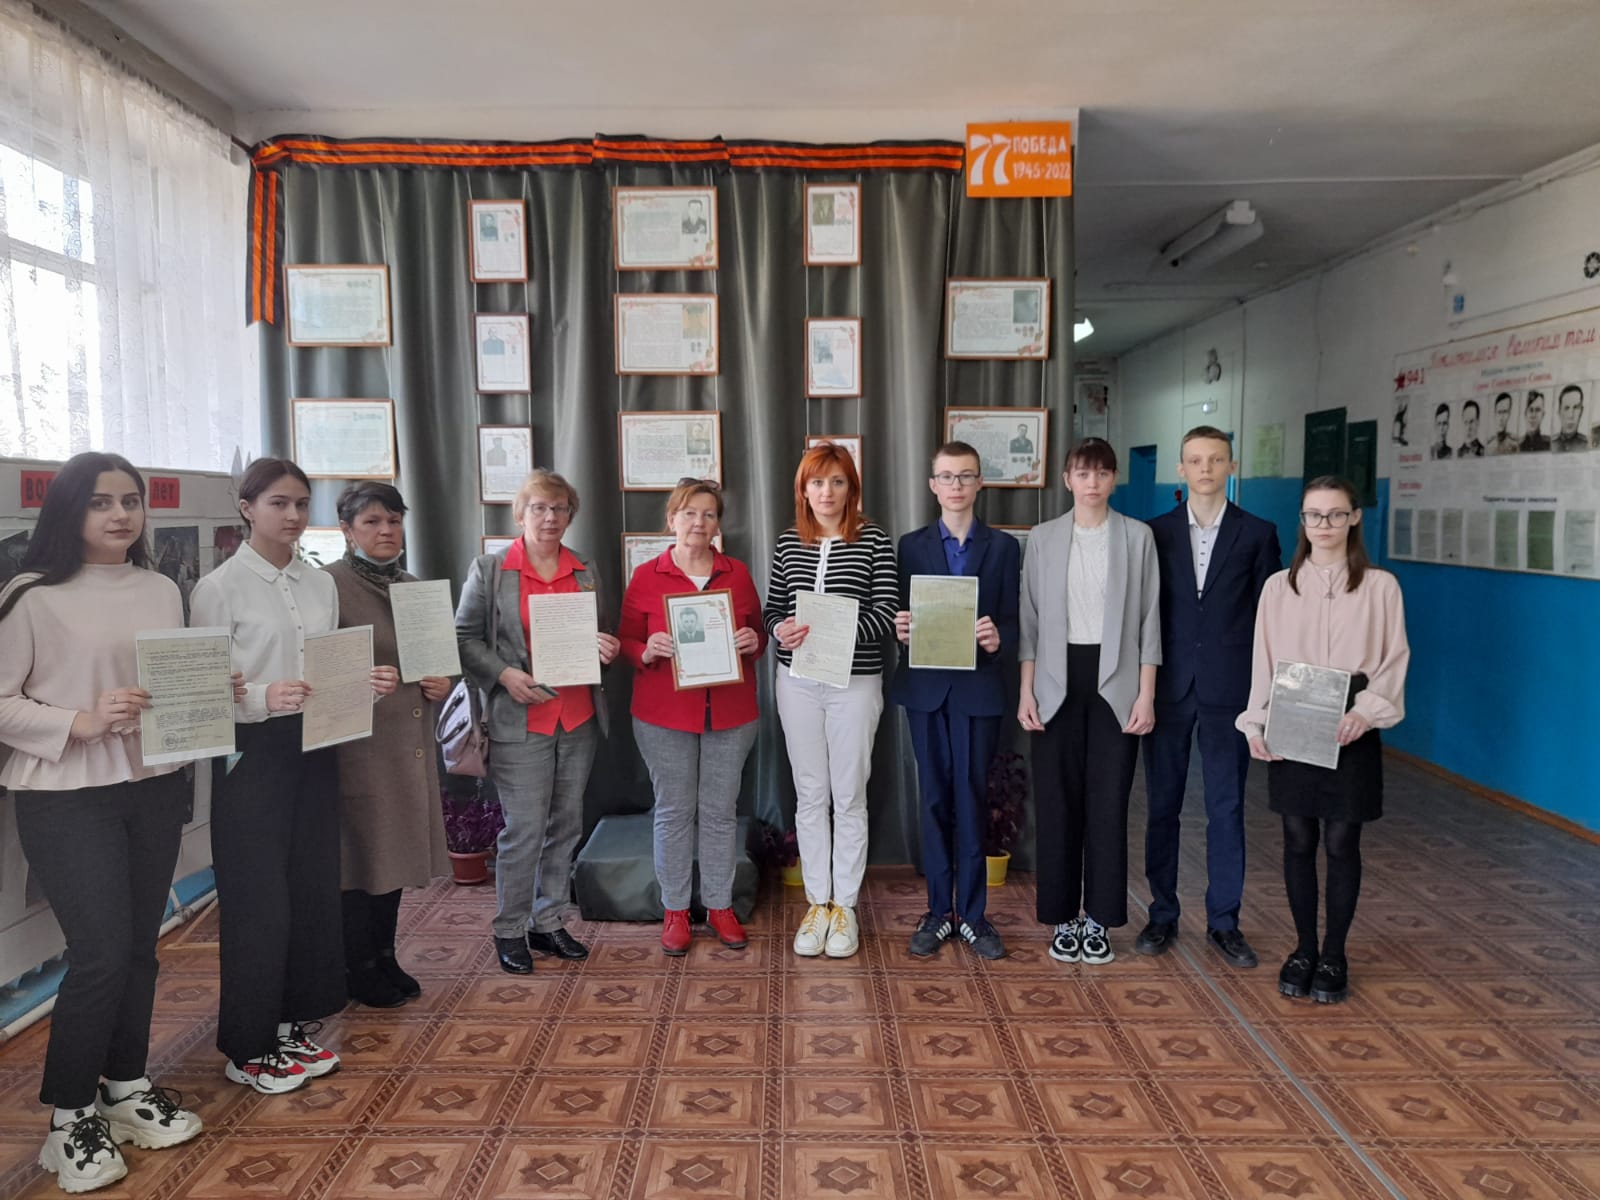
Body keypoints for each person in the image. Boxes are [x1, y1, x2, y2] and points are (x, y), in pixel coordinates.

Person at [0, 453, 208, 1192]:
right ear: (68, 511)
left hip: (152, 786)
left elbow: (168, 679)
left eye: (130, 501)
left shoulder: (160, 587)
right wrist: (81, 721)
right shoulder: (32, 594)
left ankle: (125, 1085)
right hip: (66, 794)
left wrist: (207, 689)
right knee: (100, 954)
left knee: (140, 949)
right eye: (99, 502)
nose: (120, 515)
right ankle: (68, 1118)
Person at [191, 458, 398, 1095]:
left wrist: (365, 683)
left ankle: (287, 1026)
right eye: (278, 503)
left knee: (310, 891)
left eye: (302, 504)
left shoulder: (317, 583)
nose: (293, 515)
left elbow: (328, 667)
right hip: (250, 751)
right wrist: (261, 696)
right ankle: (246, 1045)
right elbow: (199, 691)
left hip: (314, 745)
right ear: (247, 508)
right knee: (258, 901)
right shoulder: (219, 588)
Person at [1238, 476, 1409, 1005]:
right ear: (1302, 521)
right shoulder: (1278, 587)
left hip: (1352, 717)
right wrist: (1256, 722)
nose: (1324, 525)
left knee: (1341, 840)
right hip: (1293, 711)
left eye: (1336, 514)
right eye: (1314, 515)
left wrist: (1366, 712)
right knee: (1297, 837)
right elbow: (1264, 660)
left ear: (1354, 517)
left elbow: (1394, 659)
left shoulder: (1381, 587)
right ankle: (1304, 948)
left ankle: (1335, 953)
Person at [455, 469, 619, 975]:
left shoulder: (584, 569)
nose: (550, 517)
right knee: (524, 830)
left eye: (560, 509)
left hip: (577, 717)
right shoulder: (491, 569)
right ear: (520, 513)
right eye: (539, 508)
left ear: (571, 515)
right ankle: (510, 928)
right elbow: (463, 639)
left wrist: (606, 647)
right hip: (519, 720)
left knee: (566, 825)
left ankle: (547, 921)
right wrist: (503, 675)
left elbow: (596, 634)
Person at [1138, 427, 1280, 969]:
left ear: (1231, 466)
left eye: (1216, 460)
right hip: (1168, 686)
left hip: (1231, 690)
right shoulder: (1154, 533)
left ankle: (1225, 921)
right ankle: (1162, 912)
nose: (1205, 469)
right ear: (1180, 468)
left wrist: (1264, 699)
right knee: (1162, 806)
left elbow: (1270, 618)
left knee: (1226, 808)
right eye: (1195, 460)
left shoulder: (1258, 533)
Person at [1018, 438, 1159, 967]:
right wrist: (1026, 690)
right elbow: (1029, 622)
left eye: (1102, 473)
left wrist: (1146, 694)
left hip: (1116, 684)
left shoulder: (1137, 537)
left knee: (1108, 804)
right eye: (1082, 473)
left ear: (1114, 479)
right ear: (1067, 479)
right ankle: (1063, 918)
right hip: (1055, 681)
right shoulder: (1043, 537)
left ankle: (1099, 918)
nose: (1092, 482)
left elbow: (1150, 621)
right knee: (1057, 805)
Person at [620, 479, 767, 954]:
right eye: (689, 513)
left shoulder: (736, 573)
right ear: (671, 520)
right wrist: (646, 650)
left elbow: (759, 635)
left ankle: (720, 906)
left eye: (708, 514)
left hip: (731, 713)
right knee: (674, 811)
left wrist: (753, 642)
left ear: (718, 523)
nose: (698, 523)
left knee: (721, 812)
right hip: (664, 715)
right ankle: (676, 909)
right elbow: (625, 641)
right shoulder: (647, 575)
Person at [766, 442, 898, 959]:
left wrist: (834, 633)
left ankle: (845, 906)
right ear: (803, 489)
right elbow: (772, 610)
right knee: (810, 793)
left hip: (855, 684)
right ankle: (816, 904)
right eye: (817, 482)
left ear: (851, 488)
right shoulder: (787, 542)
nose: (827, 492)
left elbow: (886, 611)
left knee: (849, 795)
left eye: (837, 482)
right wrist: (780, 629)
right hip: (797, 682)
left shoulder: (874, 540)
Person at [323, 483, 451, 1008]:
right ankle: (356, 966)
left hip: (409, 742)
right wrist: (360, 679)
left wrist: (442, 683)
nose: (386, 531)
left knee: (395, 855)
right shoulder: (328, 586)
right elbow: (316, 668)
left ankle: (384, 955)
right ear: (347, 530)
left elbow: (434, 663)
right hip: (360, 747)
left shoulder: (413, 586)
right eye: (372, 522)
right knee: (361, 858)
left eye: (394, 521)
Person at [890, 442, 1019, 960]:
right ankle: (937, 911)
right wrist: (900, 629)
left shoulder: (1003, 547)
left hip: (978, 689)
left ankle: (973, 915)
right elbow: (900, 611)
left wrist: (998, 637)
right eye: (947, 476)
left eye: (966, 476)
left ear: (980, 482)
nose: (956, 485)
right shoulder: (911, 545)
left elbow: (1015, 618)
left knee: (971, 798)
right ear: (933, 485)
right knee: (934, 798)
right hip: (926, 689)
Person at [1553, 384, 1587, 451]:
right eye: (1566, 408)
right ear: (1559, 412)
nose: (1571, 415)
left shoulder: (1587, 444)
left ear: (1581, 411)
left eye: (1576, 407)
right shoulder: (1551, 444)